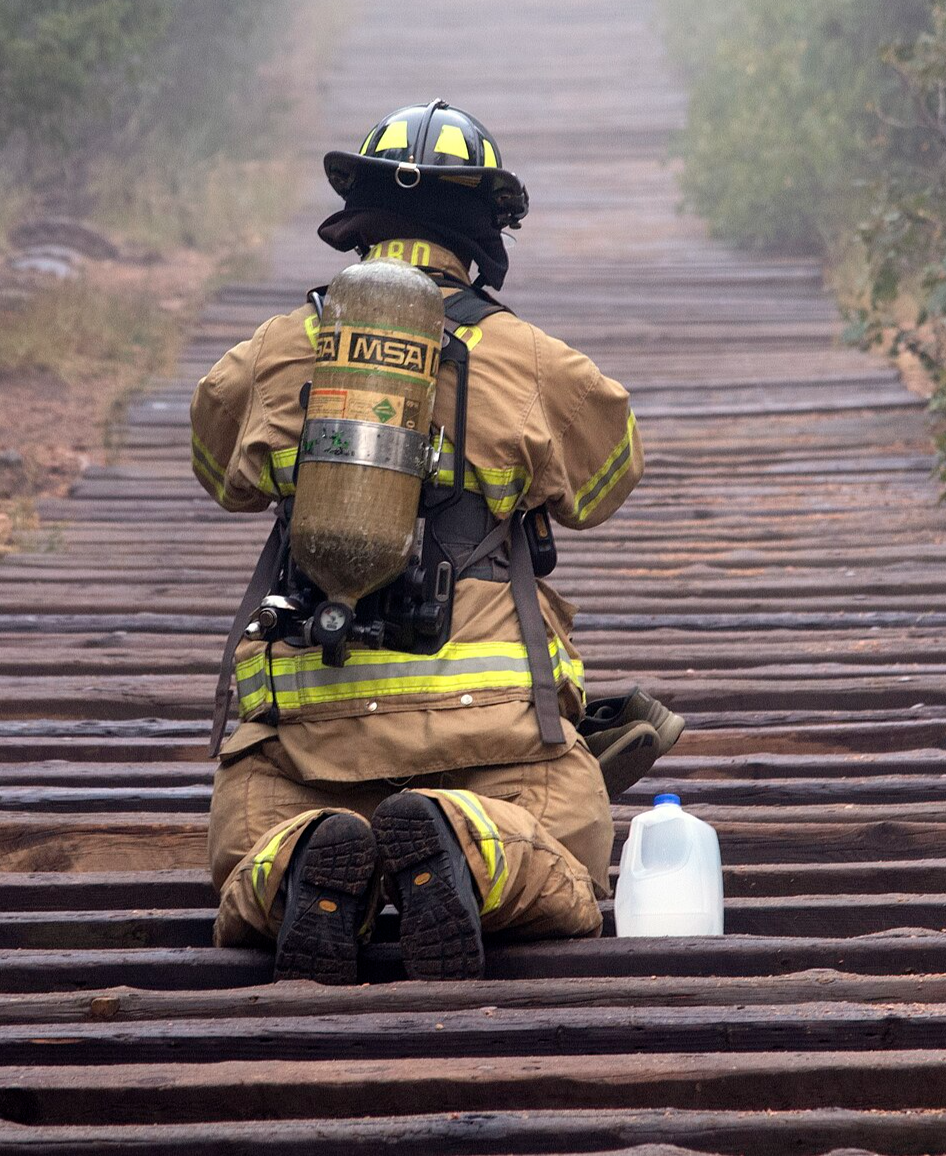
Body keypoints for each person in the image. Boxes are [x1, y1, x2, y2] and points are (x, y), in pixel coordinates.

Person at [189, 99, 679, 984]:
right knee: (563, 877)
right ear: (483, 226)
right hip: (493, 740)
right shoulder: (531, 357)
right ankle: (464, 843)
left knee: (246, 870)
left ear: (363, 216)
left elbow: (215, 467)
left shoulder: (273, 349)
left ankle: (304, 861)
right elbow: (609, 482)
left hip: (301, 739)